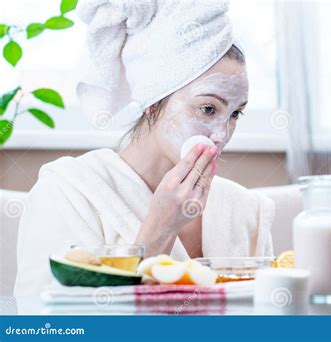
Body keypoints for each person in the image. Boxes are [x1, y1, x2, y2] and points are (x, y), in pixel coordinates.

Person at [14, 0, 274, 297]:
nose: (222, 134)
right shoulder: (68, 192)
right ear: (153, 102)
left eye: (235, 114)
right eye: (207, 109)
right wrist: (160, 228)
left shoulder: (245, 210)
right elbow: (49, 326)